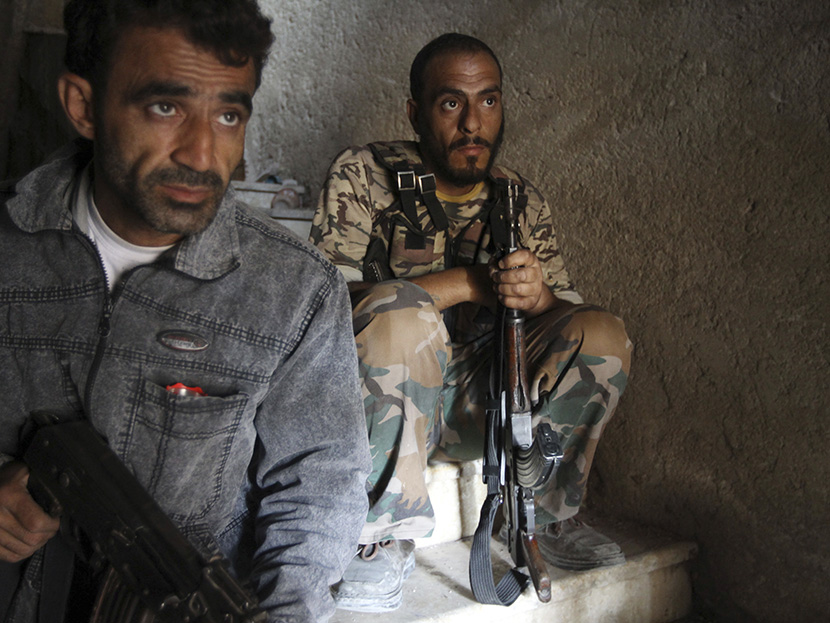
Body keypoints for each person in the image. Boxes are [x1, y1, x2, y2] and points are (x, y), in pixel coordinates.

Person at [0, 1, 370, 621]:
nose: (203, 154)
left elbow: (318, 488)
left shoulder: (293, 291)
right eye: (165, 107)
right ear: (83, 106)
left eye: (228, 114)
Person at [310, 33, 633, 612]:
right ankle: (378, 534)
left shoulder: (518, 199)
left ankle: (540, 512)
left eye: (488, 100)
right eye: (451, 102)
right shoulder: (364, 175)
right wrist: (468, 284)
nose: (472, 123)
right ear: (415, 111)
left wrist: (537, 299)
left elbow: (567, 314)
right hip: (380, 408)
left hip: (483, 408)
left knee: (602, 331)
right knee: (400, 314)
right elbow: (322, 304)